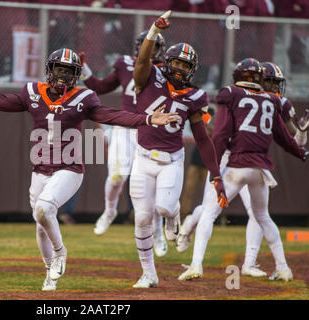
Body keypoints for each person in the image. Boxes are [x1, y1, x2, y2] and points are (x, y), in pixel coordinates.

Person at [0, 47, 180, 291]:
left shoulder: (83, 98)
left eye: (68, 71)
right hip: (40, 168)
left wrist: (146, 119)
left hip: (69, 168)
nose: (62, 76)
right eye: (59, 70)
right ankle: (50, 276)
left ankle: (61, 253)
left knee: (43, 209)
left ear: (76, 75)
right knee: (40, 225)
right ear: (49, 70)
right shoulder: (33, 92)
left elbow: (110, 115)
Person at [178, 58, 308, 282]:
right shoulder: (272, 101)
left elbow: (220, 135)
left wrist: (215, 169)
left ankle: (198, 264)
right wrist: (302, 152)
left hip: (234, 162)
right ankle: (283, 267)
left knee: (211, 211)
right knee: (262, 216)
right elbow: (286, 139)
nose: (275, 87)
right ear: (260, 79)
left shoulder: (232, 94)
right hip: (259, 167)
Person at [129, 11, 227, 288]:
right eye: (176, 63)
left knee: (163, 207)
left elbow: (202, 138)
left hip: (171, 159)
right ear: (166, 62)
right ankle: (148, 274)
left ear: (193, 70)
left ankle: (173, 215)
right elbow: (144, 59)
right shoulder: (148, 77)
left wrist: (216, 176)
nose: (180, 69)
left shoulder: (196, 95)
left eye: (186, 66)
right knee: (143, 218)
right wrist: (153, 30)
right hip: (142, 156)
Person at [80, 31, 169, 257]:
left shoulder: (166, 71)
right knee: (117, 176)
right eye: (142, 44)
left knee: (155, 187)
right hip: (125, 128)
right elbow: (100, 87)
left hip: (152, 131)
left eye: (149, 45)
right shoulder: (125, 63)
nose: (144, 48)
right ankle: (109, 211)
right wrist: (84, 69)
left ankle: (158, 231)